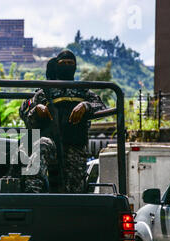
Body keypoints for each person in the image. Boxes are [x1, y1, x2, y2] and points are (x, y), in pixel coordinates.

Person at [19, 49, 107, 193]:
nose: (66, 65)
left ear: (75, 66)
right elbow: (26, 116)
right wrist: (37, 109)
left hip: (74, 146)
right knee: (41, 145)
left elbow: (101, 106)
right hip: (51, 143)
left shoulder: (83, 91)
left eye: (70, 63)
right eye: (63, 63)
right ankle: (32, 192)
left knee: (73, 192)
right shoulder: (45, 91)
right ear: (57, 65)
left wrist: (85, 105)